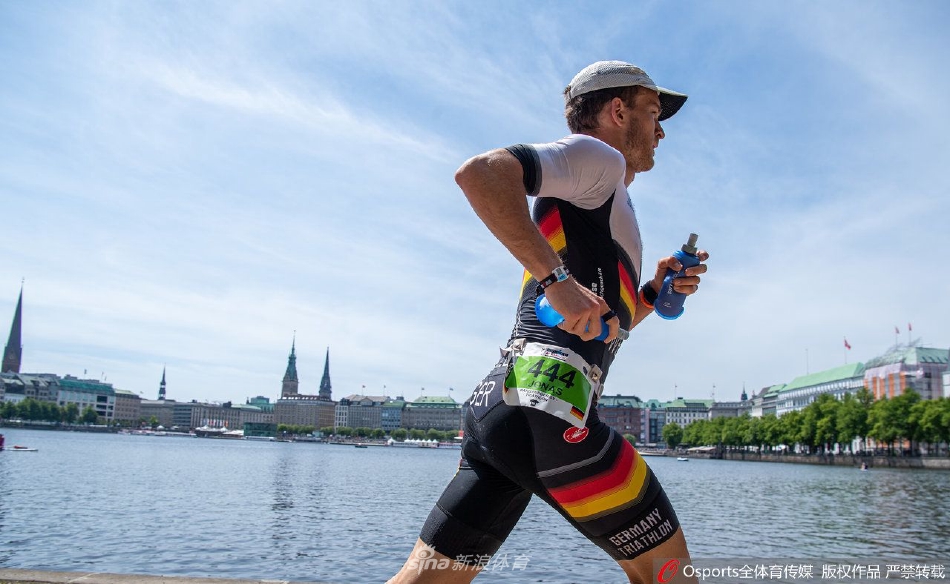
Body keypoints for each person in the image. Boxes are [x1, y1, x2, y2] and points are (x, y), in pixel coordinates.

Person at [389, 60, 709, 584]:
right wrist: (556, 279)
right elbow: (481, 173)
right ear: (617, 110)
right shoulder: (599, 158)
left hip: (501, 409)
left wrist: (652, 293)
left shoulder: (601, 198)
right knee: (671, 577)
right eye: (653, 113)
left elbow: (599, 326)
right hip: (553, 409)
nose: (661, 130)